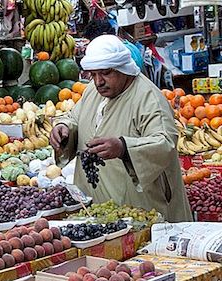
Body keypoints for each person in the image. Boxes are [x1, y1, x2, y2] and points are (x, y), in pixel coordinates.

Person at [50, 35, 192, 222]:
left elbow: (165, 143)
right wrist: (63, 128)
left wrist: (124, 148)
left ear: (123, 68)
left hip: (141, 210)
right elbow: (75, 118)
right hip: (99, 208)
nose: (98, 81)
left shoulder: (149, 99)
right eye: (93, 75)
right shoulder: (94, 90)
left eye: (106, 73)